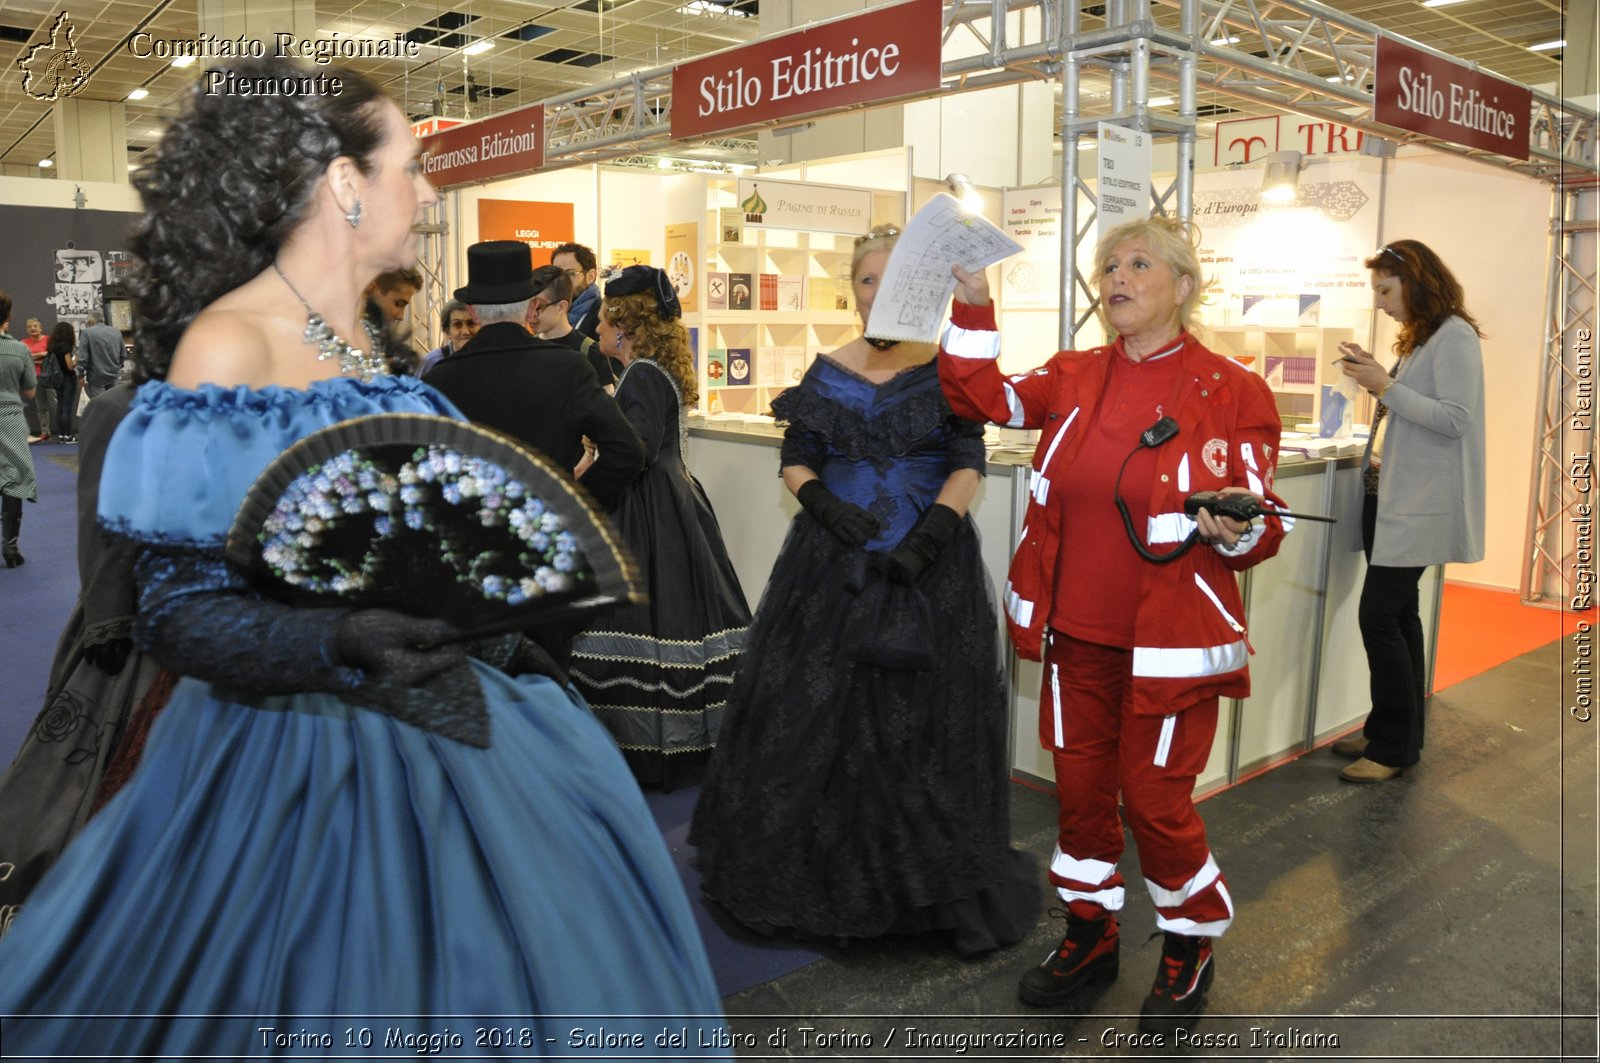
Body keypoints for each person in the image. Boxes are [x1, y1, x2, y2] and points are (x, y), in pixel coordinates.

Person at [0, 58, 729, 1057]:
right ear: (342, 182)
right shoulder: (229, 342)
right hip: (294, 763)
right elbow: (173, 607)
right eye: (413, 168)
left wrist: (506, 638)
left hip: (448, 727)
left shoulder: (361, 347)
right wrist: (343, 637)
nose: (428, 195)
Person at [939, 215, 1290, 1035]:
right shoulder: (1073, 373)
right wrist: (973, 301)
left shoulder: (1234, 390)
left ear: (1184, 283)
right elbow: (981, 396)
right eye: (1107, 265)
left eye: (1138, 263)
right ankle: (1091, 935)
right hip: (1076, 637)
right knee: (1085, 799)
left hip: (1172, 643)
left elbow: (1262, 516)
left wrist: (1238, 528)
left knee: (1158, 802)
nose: (1118, 278)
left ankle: (1188, 941)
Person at [689, 224, 1041, 955]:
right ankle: (819, 878)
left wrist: (930, 536)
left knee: (922, 726)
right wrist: (826, 506)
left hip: (928, 565)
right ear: (852, 290)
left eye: (893, 279)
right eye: (867, 280)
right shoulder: (825, 371)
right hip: (832, 565)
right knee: (817, 717)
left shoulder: (950, 371)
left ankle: (923, 885)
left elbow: (968, 458)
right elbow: (796, 456)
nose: (879, 293)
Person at [0, 381, 174, 939]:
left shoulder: (247, 396)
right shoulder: (117, 407)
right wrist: (107, 619)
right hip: (134, 625)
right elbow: (100, 520)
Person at [569, 265, 751, 788]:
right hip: (667, 502)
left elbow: (638, 451)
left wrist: (588, 484)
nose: (597, 331)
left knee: (645, 622)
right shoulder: (648, 372)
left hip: (647, 508)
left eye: (603, 321)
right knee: (674, 622)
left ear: (624, 325)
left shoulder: (643, 375)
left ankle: (646, 746)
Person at [1331, 240, 1485, 783]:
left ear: (1415, 281)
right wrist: (1380, 375)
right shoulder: (1423, 338)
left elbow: (1455, 419)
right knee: (1398, 615)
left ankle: (1393, 747)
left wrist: (1386, 386)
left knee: (1380, 616)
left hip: (1418, 504)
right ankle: (1393, 730)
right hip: (1390, 496)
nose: (1379, 302)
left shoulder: (1455, 337)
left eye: (1385, 289)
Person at [422, 241, 643, 512]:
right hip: (549, 533)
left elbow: (423, 469)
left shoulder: (440, 379)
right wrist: (577, 506)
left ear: (472, 311)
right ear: (531, 307)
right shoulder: (568, 368)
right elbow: (627, 451)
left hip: (473, 535)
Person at [528, 263, 615, 392]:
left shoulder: (591, 352)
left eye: (539, 307)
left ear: (561, 307)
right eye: (528, 306)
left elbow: (607, 406)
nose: (531, 315)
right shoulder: (526, 347)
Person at [0, 291, 37, 568]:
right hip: (10, 418)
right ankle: (10, 549)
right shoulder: (19, 350)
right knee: (14, 478)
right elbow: (30, 392)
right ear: (8, 317)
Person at [551, 241, 601, 342]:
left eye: (570, 274)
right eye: (556, 274)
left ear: (591, 276)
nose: (562, 280)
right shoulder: (548, 310)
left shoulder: (603, 315)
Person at [414, 298, 476, 377]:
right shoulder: (431, 362)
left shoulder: (490, 359)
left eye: (471, 323)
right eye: (457, 325)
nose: (465, 331)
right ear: (447, 332)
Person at [76, 310, 126, 399]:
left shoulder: (87, 332)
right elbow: (123, 354)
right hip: (113, 375)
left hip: (96, 376)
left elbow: (83, 357)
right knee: (112, 403)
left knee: (99, 406)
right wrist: (118, 367)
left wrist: (80, 374)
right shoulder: (116, 332)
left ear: (91, 321)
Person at [45, 322, 79, 443]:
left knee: (60, 407)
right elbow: (70, 366)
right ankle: (68, 435)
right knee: (67, 408)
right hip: (68, 379)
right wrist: (77, 358)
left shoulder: (52, 347)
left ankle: (61, 434)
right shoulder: (66, 348)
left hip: (57, 379)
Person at [21, 317, 50, 442]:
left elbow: (51, 354)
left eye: (35, 326)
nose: (33, 328)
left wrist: (32, 356)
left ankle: (64, 432)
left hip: (50, 376)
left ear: (40, 328)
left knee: (55, 404)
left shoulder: (49, 340)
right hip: (34, 376)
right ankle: (45, 432)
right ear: (27, 330)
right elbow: (23, 357)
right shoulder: (23, 343)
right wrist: (41, 354)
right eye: (30, 327)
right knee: (41, 406)